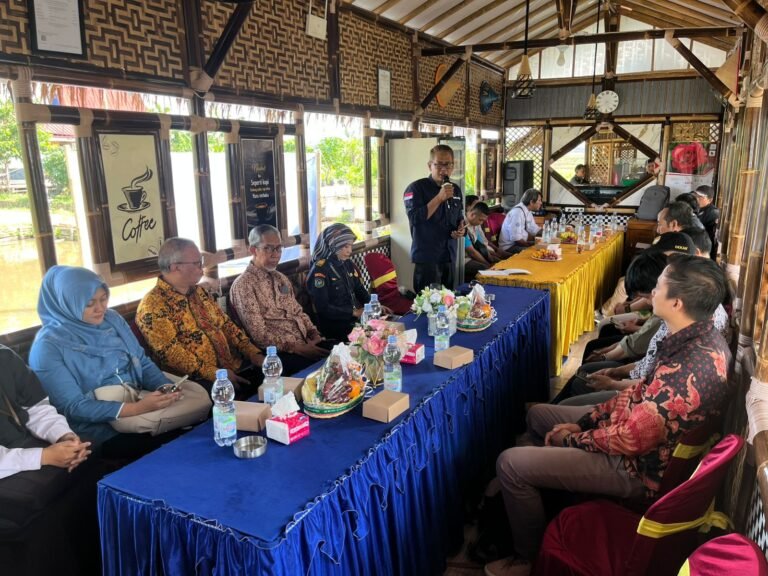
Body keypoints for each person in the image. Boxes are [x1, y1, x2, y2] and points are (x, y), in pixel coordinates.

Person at [486, 255, 732, 576]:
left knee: (509, 463)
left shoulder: (689, 367)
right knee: (540, 417)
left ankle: (527, 557)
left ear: (677, 302)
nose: (651, 292)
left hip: (637, 468)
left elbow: (630, 438)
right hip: (636, 441)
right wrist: (584, 423)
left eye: (658, 286)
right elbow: (636, 394)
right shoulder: (693, 338)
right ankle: (538, 493)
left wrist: (573, 438)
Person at [28, 266, 186, 459]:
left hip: (141, 401)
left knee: (194, 428)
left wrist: (163, 387)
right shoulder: (47, 347)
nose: (100, 308)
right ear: (67, 304)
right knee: (169, 449)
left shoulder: (112, 320)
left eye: (103, 299)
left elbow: (142, 362)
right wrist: (137, 408)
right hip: (100, 428)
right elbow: (73, 407)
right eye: (89, 303)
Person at [0, 344, 99, 576]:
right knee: (40, 518)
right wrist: (44, 457)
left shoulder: (4, 357)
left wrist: (64, 437)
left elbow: (37, 409)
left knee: (89, 469)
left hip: (23, 448)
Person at [136, 238, 264, 394]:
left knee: (274, 380)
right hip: (196, 382)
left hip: (233, 367)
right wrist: (215, 374)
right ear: (176, 267)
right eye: (197, 263)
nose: (202, 268)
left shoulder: (199, 292)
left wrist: (252, 352)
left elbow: (225, 324)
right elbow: (172, 354)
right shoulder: (152, 306)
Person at [230, 225, 330, 376]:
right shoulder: (244, 285)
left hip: (306, 343)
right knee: (321, 373)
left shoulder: (280, 278)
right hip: (278, 354)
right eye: (268, 248)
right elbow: (259, 336)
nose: (275, 254)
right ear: (253, 250)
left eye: (278, 248)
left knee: (342, 355)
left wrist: (314, 334)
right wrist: (296, 348)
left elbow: (298, 312)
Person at [404, 144, 466, 293]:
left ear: (453, 166)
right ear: (430, 166)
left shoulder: (456, 190)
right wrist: (439, 198)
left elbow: (459, 217)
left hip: (449, 255)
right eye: (438, 165)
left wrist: (461, 229)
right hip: (427, 258)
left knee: (449, 301)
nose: (443, 169)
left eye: (448, 165)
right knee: (428, 303)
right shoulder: (415, 188)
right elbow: (414, 219)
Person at [306, 223, 371, 342]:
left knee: (386, 328)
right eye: (345, 247)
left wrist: (373, 304)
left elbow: (359, 289)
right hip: (334, 327)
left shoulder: (347, 263)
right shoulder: (320, 270)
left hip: (353, 321)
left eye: (350, 246)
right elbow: (323, 308)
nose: (350, 251)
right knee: (372, 338)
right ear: (334, 246)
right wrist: (353, 313)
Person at [464, 202, 507, 281]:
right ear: (472, 215)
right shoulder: (463, 225)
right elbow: (472, 252)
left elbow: (482, 245)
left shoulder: (475, 225)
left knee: (501, 263)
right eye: (480, 220)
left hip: (474, 255)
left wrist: (492, 258)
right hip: (465, 259)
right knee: (486, 269)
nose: (481, 223)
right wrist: (488, 264)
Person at [498, 188, 542, 253]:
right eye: (539, 200)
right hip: (510, 247)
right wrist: (530, 246)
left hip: (520, 243)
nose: (541, 203)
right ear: (531, 202)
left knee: (543, 247)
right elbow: (517, 239)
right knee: (536, 252)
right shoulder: (517, 213)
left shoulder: (528, 211)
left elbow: (534, 229)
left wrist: (547, 233)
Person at [694, 185, 720, 260]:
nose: (697, 199)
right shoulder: (700, 208)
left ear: (710, 200)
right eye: (696, 196)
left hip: (705, 248)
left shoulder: (713, 212)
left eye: (701, 197)